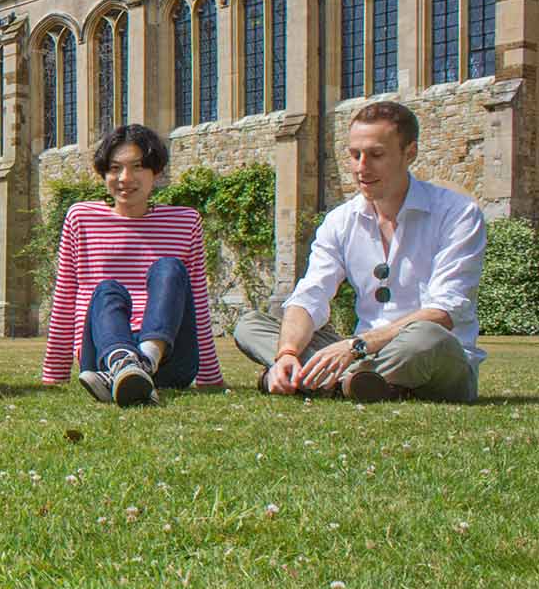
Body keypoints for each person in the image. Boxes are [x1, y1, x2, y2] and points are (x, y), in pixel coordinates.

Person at [234, 101, 485, 402]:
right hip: (361, 353)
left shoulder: (456, 213)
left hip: (430, 356)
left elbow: (445, 312)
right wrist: (286, 352)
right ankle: (356, 383)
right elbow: (310, 295)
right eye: (354, 155)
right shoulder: (341, 220)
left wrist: (356, 346)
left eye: (376, 155)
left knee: (426, 338)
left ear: (410, 153)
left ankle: (328, 381)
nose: (361, 168)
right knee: (252, 325)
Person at [41, 124, 223, 406]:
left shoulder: (185, 222)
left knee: (169, 268)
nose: (125, 178)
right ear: (104, 174)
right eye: (115, 168)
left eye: (137, 167)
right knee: (107, 290)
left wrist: (211, 377)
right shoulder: (81, 218)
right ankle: (122, 362)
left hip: (170, 358)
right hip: (101, 351)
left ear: (156, 172)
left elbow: (196, 300)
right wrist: (54, 374)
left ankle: (144, 361)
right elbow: (65, 295)